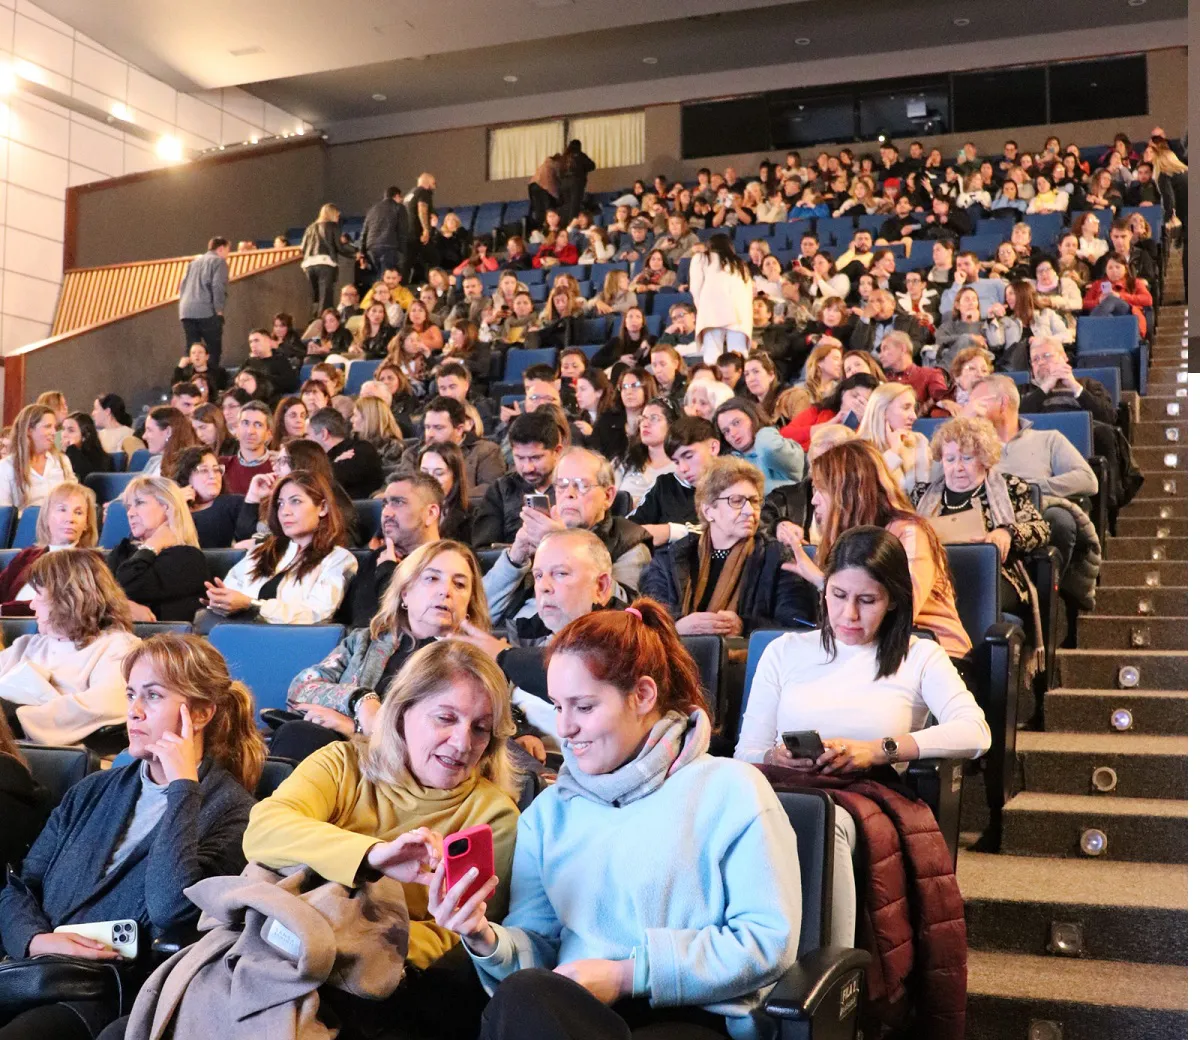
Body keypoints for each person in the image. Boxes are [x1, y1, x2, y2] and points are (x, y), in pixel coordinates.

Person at [427, 597, 802, 1040]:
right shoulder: (549, 812)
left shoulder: (732, 789)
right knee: (503, 994)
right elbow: (537, 946)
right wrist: (483, 938)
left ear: (643, 695)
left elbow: (765, 943)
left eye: (583, 707)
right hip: (568, 1015)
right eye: (557, 706)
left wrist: (627, 975)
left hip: (696, 1016)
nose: (563, 728)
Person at [243, 639, 519, 1040]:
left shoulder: (493, 815)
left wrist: (347, 945)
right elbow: (264, 831)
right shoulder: (343, 764)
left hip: (384, 989)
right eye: (445, 718)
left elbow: (461, 935)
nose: (463, 743)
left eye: (480, 728)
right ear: (402, 711)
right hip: (283, 953)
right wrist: (373, 856)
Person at [735, 525, 989, 949]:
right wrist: (779, 757)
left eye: (867, 601)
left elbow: (975, 731)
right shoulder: (785, 652)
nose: (849, 615)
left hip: (863, 795)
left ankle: (830, 963)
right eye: (838, 596)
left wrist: (879, 750)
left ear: (892, 601)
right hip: (785, 785)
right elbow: (749, 753)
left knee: (824, 822)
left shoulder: (918, 655)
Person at [0, 633, 262, 1040]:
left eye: (152, 696)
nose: (134, 712)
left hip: (105, 994)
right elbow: (19, 885)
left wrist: (182, 789)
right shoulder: (92, 791)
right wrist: (36, 940)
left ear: (201, 713)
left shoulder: (234, 812)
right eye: (130, 695)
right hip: (30, 968)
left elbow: (170, 909)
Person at [280, 539, 489, 747]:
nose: (446, 591)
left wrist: (358, 729)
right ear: (405, 592)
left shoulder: (474, 663)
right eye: (432, 578)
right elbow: (299, 690)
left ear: (469, 603)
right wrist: (360, 700)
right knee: (298, 733)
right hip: (340, 751)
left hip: (405, 766)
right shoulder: (365, 641)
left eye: (459, 584)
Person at [777, 441, 971, 659]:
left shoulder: (909, 532)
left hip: (935, 656)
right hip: (869, 655)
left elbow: (901, 613)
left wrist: (822, 580)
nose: (813, 500)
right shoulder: (845, 540)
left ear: (848, 493)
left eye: (821, 490)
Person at [640, 456, 813, 635]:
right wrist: (677, 629)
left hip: (750, 661)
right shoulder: (670, 560)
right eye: (736, 501)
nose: (749, 511)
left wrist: (744, 627)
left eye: (754, 501)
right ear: (708, 511)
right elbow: (647, 625)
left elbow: (798, 626)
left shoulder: (777, 557)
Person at [485, 448, 653, 620]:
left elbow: (624, 615)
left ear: (608, 496)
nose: (569, 494)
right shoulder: (540, 535)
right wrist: (516, 556)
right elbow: (481, 611)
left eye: (582, 486)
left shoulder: (630, 541)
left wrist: (566, 547)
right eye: (562, 485)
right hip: (516, 635)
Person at [0, 549, 139, 746]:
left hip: (61, 761)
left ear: (67, 597)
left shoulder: (118, 646)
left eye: (38, 595)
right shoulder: (28, 645)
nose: (31, 605)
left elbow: (109, 705)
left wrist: (14, 717)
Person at [915, 418, 1051, 613]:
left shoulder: (1010, 487)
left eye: (967, 458)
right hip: (933, 576)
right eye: (950, 459)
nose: (958, 467)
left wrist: (1007, 533)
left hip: (993, 576)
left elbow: (1042, 529)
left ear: (984, 458)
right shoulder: (921, 495)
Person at [967, 375, 1099, 568]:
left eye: (978, 402)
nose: (973, 409)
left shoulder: (1048, 439)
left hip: (1035, 514)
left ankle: (1049, 594)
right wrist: (964, 420)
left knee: (1059, 520)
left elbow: (1088, 480)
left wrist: (1028, 487)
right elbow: (938, 479)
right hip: (984, 516)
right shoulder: (969, 448)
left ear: (1002, 403)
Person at [201, 469, 357, 626]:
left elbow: (316, 614)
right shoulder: (261, 551)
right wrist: (219, 601)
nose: (285, 512)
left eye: (295, 501)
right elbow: (232, 592)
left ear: (322, 508)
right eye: (280, 504)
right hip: (242, 633)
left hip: (293, 643)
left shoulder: (339, 558)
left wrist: (253, 605)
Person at [108, 477, 208, 623]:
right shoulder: (123, 551)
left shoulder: (189, 558)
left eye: (139, 503)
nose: (130, 513)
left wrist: (153, 544)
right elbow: (96, 596)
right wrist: (124, 606)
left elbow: (128, 583)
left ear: (167, 507)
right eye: (128, 507)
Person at [0, 481, 97, 614]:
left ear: (86, 523)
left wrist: (3, 610)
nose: (70, 519)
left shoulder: (89, 561)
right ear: (46, 517)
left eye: (78, 512)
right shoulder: (26, 557)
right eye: (62, 509)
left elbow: (55, 605)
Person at [473, 411, 564, 548]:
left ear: (557, 452)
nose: (528, 468)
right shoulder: (501, 489)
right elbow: (484, 549)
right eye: (520, 458)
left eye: (536, 458)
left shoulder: (572, 489)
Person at [629, 416, 719, 547]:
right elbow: (628, 530)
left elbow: (731, 534)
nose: (683, 468)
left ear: (713, 448)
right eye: (676, 462)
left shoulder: (736, 484)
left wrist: (670, 532)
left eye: (688, 456)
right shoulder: (665, 485)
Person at [398, 396, 506, 504]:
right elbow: (404, 489)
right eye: (427, 427)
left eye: (438, 428)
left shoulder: (486, 451)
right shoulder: (412, 454)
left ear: (459, 429)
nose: (430, 434)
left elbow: (490, 489)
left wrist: (447, 497)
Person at [713, 397, 806, 493]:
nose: (732, 433)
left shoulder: (775, 444)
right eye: (726, 431)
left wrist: (763, 431)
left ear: (753, 417)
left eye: (737, 423)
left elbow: (769, 447)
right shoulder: (730, 464)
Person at [856, 382, 933, 497]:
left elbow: (928, 491)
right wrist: (893, 452)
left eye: (913, 408)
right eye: (906, 408)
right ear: (882, 411)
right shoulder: (858, 449)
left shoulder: (919, 441)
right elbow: (866, 491)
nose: (914, 416)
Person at [168, 446, 250, 549]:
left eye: (216, 470)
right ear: (186, 476)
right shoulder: (172, 507)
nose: (213, 476)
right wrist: (176, 504)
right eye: (204, 470)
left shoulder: (235, 504)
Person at [690, 234, 754, 363]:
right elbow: (749, 294)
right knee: (738, 356)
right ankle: (741, 381)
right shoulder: (741, 264)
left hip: (711, 313)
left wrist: (702, 309)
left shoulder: (701, 258)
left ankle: (713, 380)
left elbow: (695, 288)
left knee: (712, 357)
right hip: (740, 315)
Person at [0, 404, 75, 511]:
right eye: (48, 426)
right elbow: (4, 515)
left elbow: (73, 498)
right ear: (29, 430)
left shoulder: (62, 461)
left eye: (55, 427)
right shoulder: (6, 467)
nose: (54, 432)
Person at [615, 398, 678, 511]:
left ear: (671, 425)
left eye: (654, 418)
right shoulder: (625, 461)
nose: (645, 424)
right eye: (643, 418)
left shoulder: (681, 467)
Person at [308, 406, 384, 501]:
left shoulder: (361, 450)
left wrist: (332, 466)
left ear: (324, 434)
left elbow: (321, 485)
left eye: (309, 434)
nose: (308, 439)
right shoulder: (322, 460)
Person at [177, 236, 229, 367]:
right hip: (206, 311)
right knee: (213, 349)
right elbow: (217, 286)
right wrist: (219, 310)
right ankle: (212, 381)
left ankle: (184, 378)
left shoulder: (193, 263)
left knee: (191, 350)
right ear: (221, 248)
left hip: (186, 311)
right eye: (228, 250)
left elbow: (182, 286)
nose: (228, 255)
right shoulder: (219, 262)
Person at [1082, 255, 1154, 339]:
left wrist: (1120, 296)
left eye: (1117, 267)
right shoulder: (1097, 284)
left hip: (1129, 316)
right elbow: (1084, 304)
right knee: (1108, 316)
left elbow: (1148, 300)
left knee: (1111, 299)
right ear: (1106, 270)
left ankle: (1088, 331)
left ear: (1125, 269)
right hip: (1106, 321)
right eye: (1110, 268)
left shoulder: (1135, 282)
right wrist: (1099, 301)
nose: (1114, 271)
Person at [419, 442, 473, 543]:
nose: (430, 479)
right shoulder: (406, 511)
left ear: (455, 477)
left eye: (439, 473)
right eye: (424, 472)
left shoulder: (470, 517)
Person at [218, 400, 274, 495]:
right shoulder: (222, 466)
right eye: (245, 423)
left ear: (268, 433)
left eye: (258, 425)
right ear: (237, 429)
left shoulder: (277, 467)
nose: (250, 431)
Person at [931, 346, 994, 418]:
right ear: (957, 375)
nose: (980, 374)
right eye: (972, 368)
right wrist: (944, 404)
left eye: (984, 370)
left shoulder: (996, 400)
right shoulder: (942, 399)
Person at [352, 394, 406, 473]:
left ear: (369, 418)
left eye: (355, 415)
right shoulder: (353, 440)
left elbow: (387, 476)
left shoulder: (393, 447)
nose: (351, 420)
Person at [59, 411, 110, 485]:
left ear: (85, 436)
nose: (64, 434)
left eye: (71, 430)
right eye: (63, 429)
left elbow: (87, 478)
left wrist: (71, 449)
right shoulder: (59, 455)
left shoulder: (99, 459)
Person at [557, 139, 595, 220]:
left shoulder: (563, 158)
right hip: (576, 182)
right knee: (575, 204)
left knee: (567, 205)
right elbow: (592, 166)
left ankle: (567, 223)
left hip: (563, 183)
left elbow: (559, 172)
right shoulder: (580, 155)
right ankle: (572, 223)